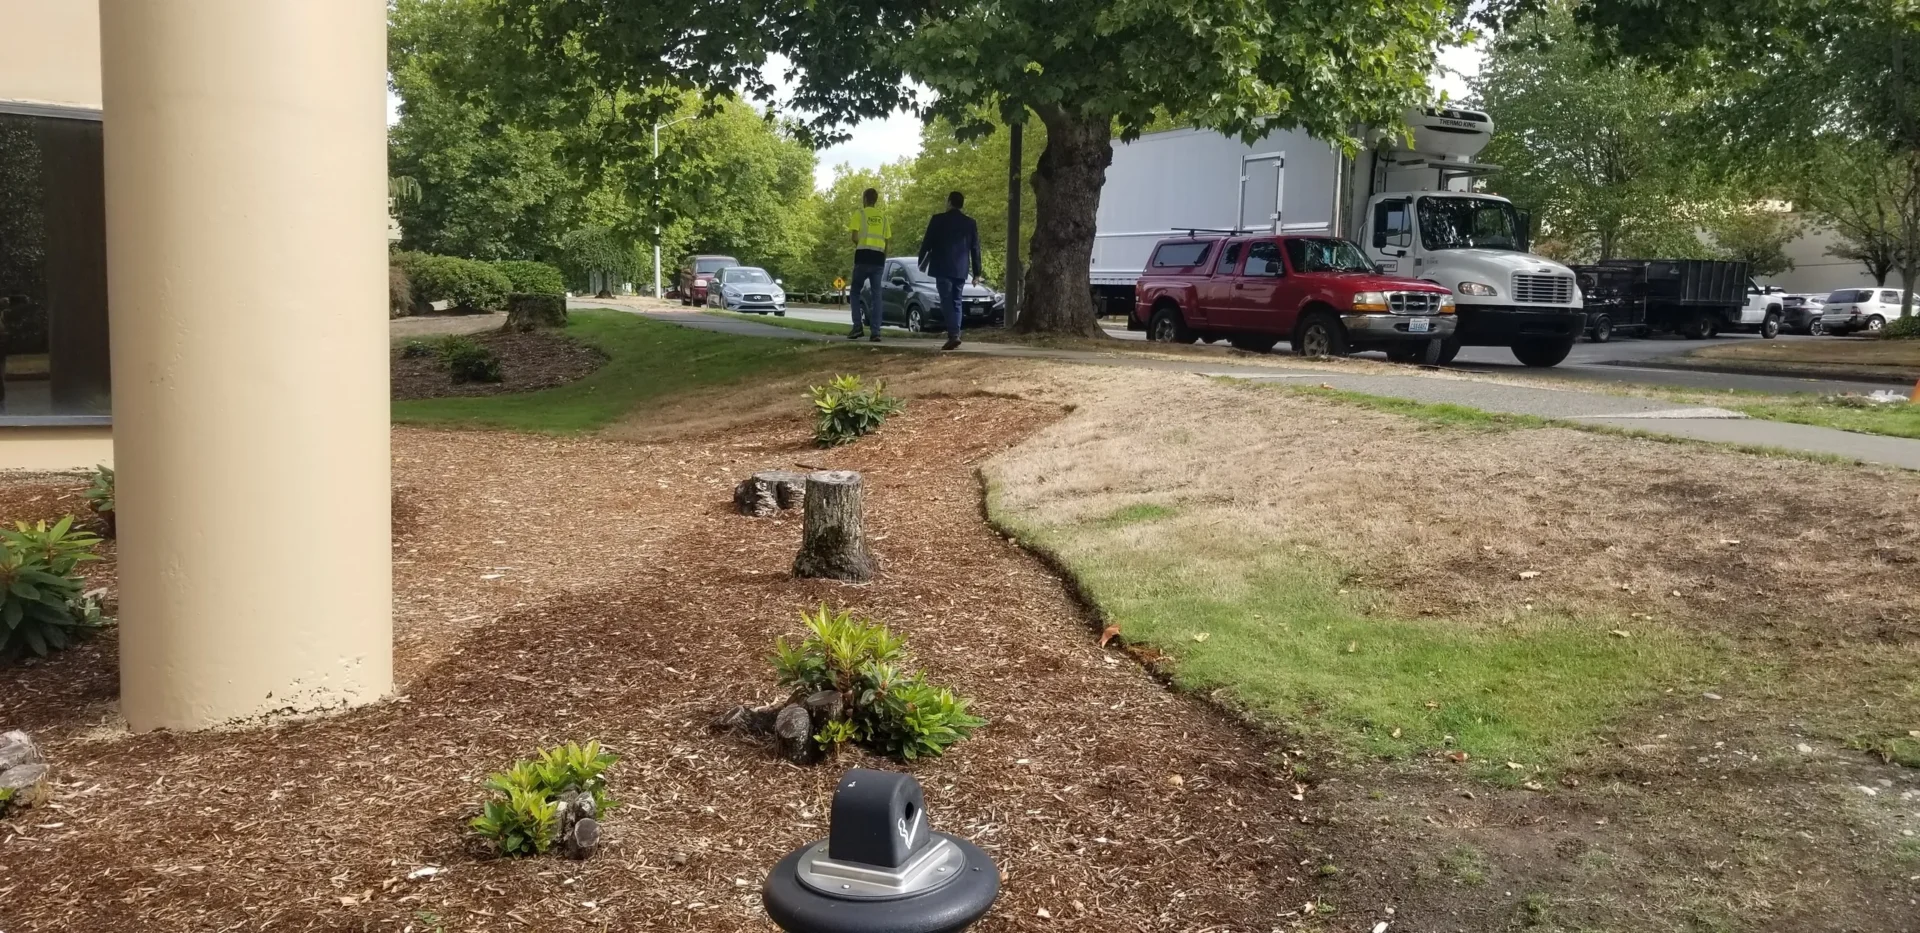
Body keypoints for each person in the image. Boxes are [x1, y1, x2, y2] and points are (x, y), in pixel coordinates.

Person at [917, 190, 982, 351]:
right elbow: (975, 248)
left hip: (942, 266)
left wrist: (921, 260)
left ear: (949, 202)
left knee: (946, 300)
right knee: (956, 300)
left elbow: (927, 242)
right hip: (961, 269)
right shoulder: (970, 223)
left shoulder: (938, 220)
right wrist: (977, 273)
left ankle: (954, 335)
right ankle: (955, 333)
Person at [844, 188, 892, 342]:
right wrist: (883, 258)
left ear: (865, 199)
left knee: (855, 291)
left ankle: (857, 326)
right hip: (878, 259)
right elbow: (887, 242)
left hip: (863, 257)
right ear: (876, 200)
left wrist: (863, 245)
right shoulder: (883, 217)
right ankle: (876, 332)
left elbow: (854, 237)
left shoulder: (860, 214)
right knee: (877, 295)